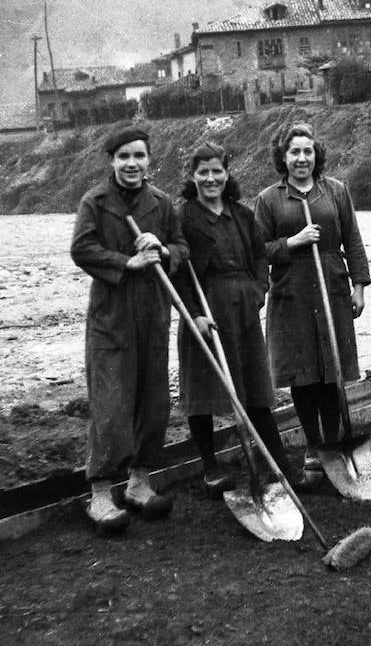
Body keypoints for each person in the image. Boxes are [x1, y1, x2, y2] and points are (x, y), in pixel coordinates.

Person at [173, 142, 311, 497]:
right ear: (192, 176)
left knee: (255, 388)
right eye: (202, 172)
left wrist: (258, 289)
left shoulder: (242, 214)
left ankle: (277, 464)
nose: (210, 178)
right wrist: (194, 315)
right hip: (205, 311)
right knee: (204, 389)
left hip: (243, 310)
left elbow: (259, 255)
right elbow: (178, 274)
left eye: (217, 171)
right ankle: (210, 468)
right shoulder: (183, 218)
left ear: (227, 173)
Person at [71, 125, 189, 535]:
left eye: (139, 156)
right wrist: (126, 263)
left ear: (149, 159)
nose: (132, 164)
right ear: (112, 161)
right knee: (111, 404)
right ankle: (101, 492)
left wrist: (162, 249)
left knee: (153, 400)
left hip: (153, 316)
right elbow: (81, 249)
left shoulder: (161, 202)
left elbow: (181, 247)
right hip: (111, 318)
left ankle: (139, 483)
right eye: (124, 157)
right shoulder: (96, 202)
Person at [255, 124, 370, 470]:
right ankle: (312, 444)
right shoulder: (269, 199)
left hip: (332, 286)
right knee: (303, 372)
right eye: (294, 152)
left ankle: (333, 441)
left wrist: (359, 286)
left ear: (316, 154)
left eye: (307, 151)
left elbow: (353, 240)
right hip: (292, 294)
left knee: (331, 368)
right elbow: (256, 251)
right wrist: (292, 242)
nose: (302, 158)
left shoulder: (335, 191)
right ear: (283, 157)